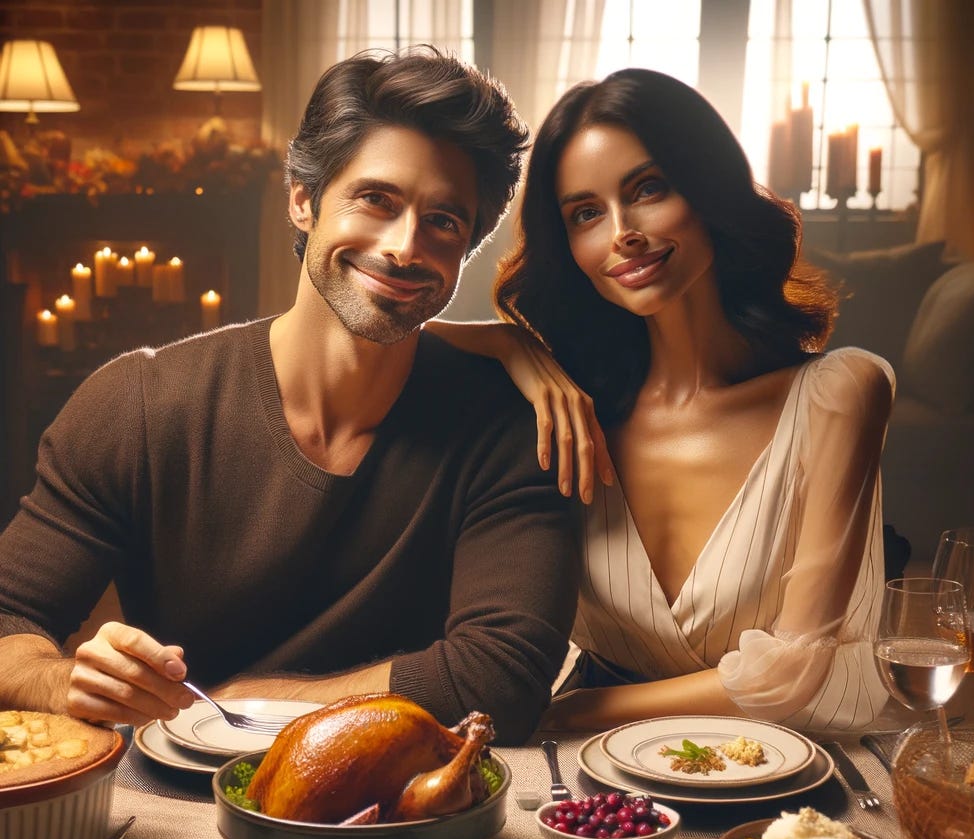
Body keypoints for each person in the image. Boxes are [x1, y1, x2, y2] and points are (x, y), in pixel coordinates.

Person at [0, 48, 580, 745]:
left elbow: (500, 682)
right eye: (376, 199)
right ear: (303, 200)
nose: (404, 246)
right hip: (176, 803)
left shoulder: (511, 424)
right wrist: (63, 681)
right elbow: (8, 618)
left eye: (444, 221)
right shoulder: (138, 403)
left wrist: (245, 704)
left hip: (403, 808)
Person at [434, 68, 893, 733]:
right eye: (586, 213)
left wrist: (572, 710)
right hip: (583, 783)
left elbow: (793, 670)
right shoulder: (571, 407)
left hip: (759, 770)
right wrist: (513, 348)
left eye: (647, 189)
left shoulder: (839, 395)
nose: (622, 232)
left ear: (707, 191)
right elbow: (383, 335)